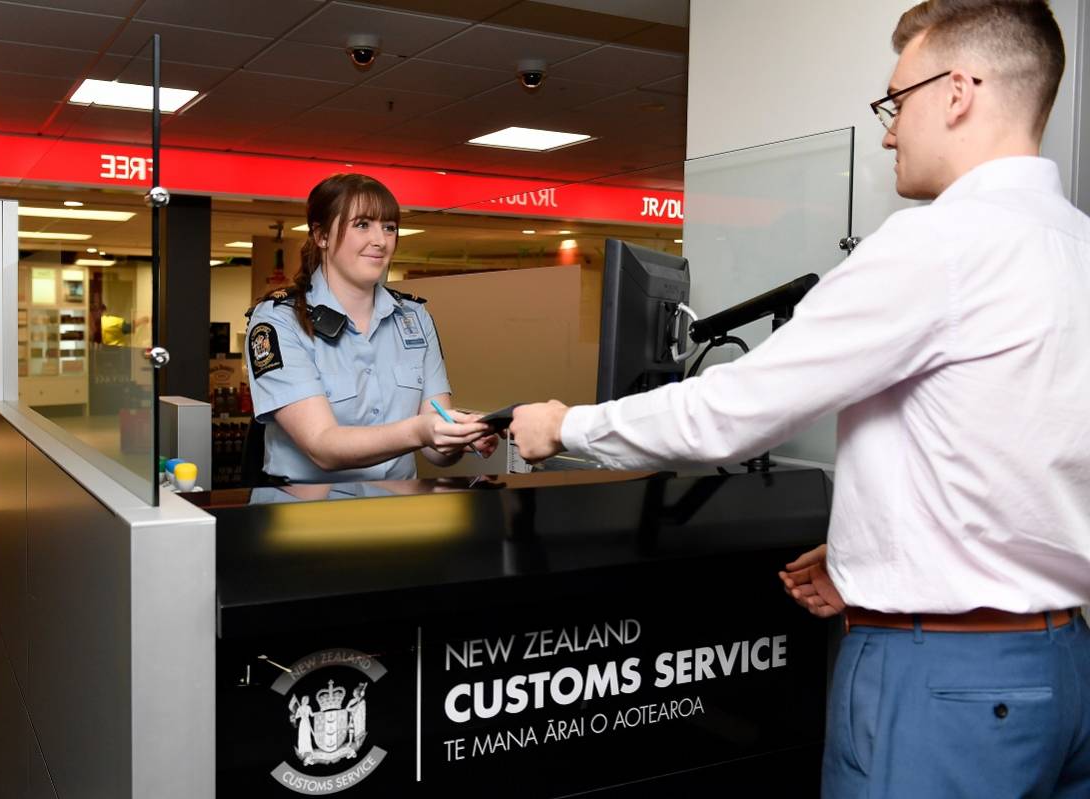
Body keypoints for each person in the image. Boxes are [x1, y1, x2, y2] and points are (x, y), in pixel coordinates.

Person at [510, 1, 1089, 795]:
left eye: (896, 102)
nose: (888, 130)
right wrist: (874, 553)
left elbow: (729, 413)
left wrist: (565, 425)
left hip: (940, 687)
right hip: (1063, 674)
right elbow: (1019, 451)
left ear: (957, 91)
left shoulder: (938, 245)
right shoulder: (1078, 249)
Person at [245, 173, 495, 483]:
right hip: (307, 510)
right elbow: (322, 445)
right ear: (321, 236)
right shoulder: (279, 320)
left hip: (396, 508)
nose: (380, 240)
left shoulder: (415, 318)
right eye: (362, 225)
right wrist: (420, 430)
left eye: (389, 228)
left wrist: (458, 436)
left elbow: (435, 449)